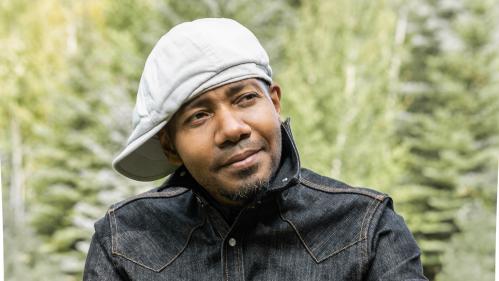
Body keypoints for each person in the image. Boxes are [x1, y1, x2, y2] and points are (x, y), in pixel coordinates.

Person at [83, 18, 428, 281]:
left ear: (274, 104)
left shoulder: (366, 229)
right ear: (170, 147)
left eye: (246, 98)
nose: (232, 128)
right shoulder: (122, 243)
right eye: (199, 116)